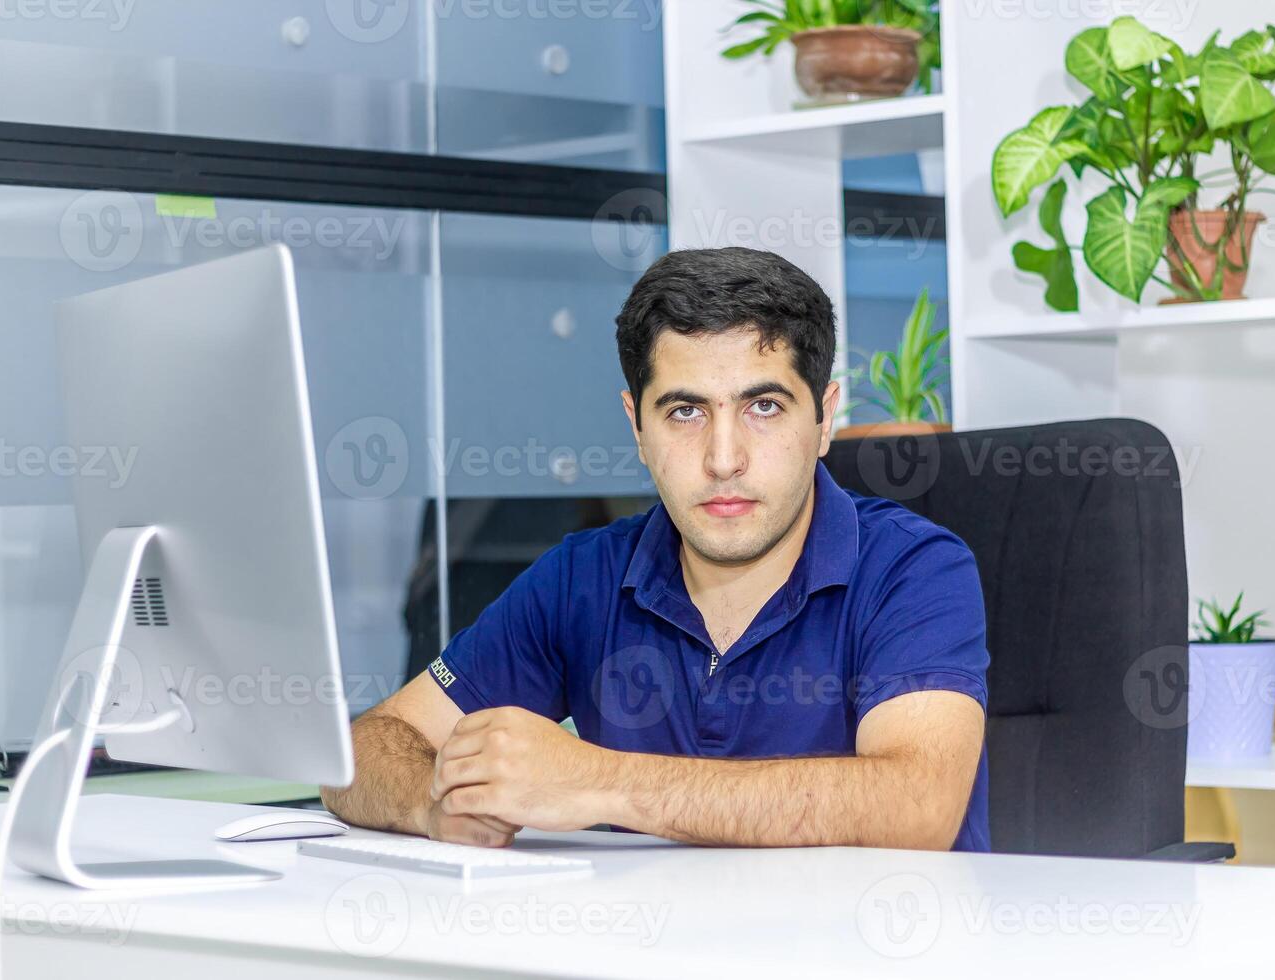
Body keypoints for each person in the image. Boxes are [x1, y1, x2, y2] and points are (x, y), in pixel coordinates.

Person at [322, 247, 990, 851]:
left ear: (824, 419)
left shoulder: (914, 570)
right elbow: (361, 753)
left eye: (763, 407)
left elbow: (917, 807)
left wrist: (599, 783)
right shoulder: (583, 577)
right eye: (684, 412)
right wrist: (432, 803)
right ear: (636, 428)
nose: (724, 459)